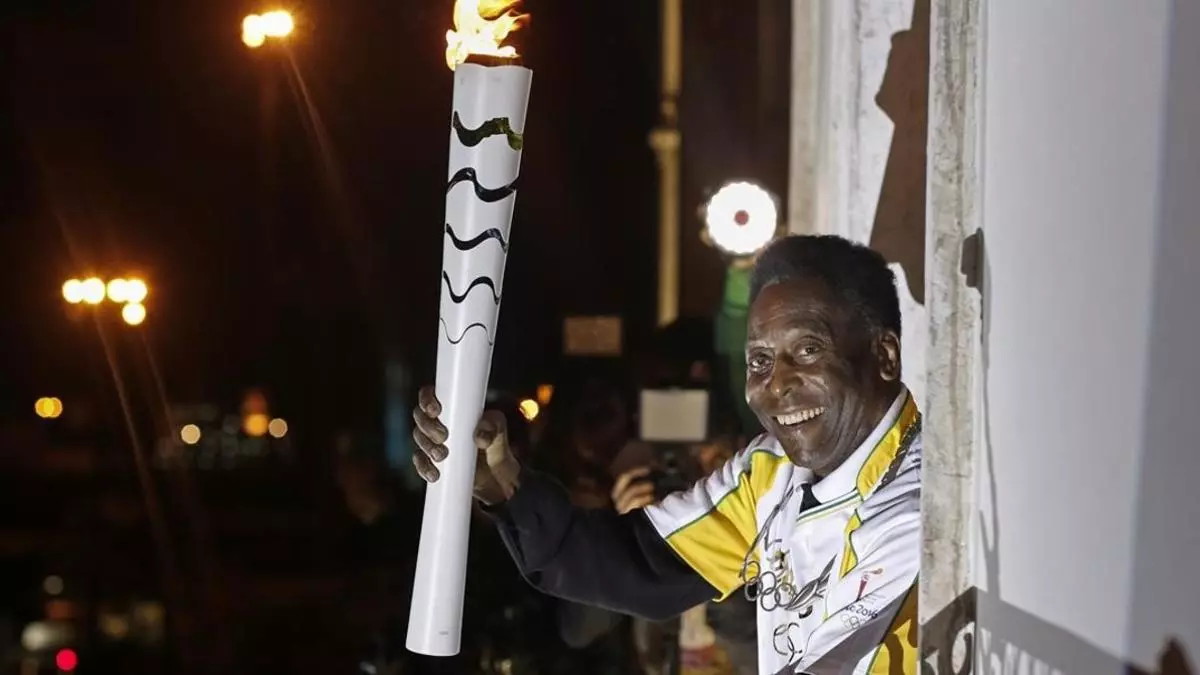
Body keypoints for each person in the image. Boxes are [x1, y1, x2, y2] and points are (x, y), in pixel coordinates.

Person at [412, 235, 921, 675]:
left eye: (808, 350)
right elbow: (638, 566)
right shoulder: (771, 473)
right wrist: (503, 480)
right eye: (760, 361)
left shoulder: (915, 511)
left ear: (884, 355)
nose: (777, 384)